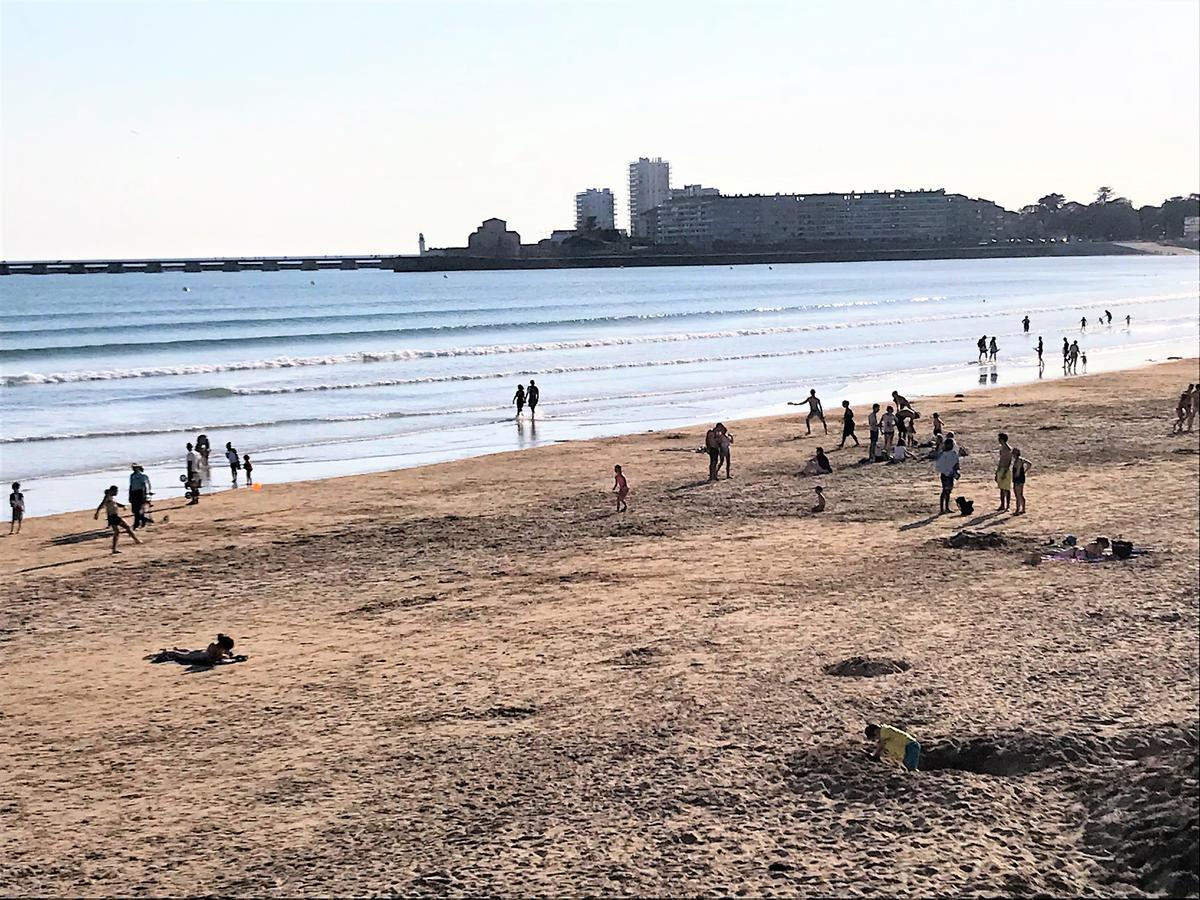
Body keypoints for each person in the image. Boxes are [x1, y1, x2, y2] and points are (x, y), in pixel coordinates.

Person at [94, 485, 140, 554]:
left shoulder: (111, 497)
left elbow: (116, 504)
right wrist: (97, 512)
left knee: (117, 532)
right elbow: (102, 504)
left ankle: (114, 549)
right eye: (116, 491)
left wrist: (123, 506)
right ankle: (136, 540)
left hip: (112, 517)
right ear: (112, 491)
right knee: (126, 527)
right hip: (113, 516)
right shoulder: (107, 496)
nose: (117, 493)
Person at [150, 634, 235, 666]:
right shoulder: (216, 648)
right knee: (180, 655)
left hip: (201, 654)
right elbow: (215, 658)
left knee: (188, 652)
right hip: (200, 657)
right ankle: (167, 651)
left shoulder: (217, 647)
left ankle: (174, 650)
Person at [934, 436, 960, 514]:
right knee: (945, 490)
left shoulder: (951, 454)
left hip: (949, 474)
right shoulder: (944, 454)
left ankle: (946, 508)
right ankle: (942, 509)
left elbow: (956, 464)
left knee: (948, 491)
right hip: (945, 475)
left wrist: (956, 472)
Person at [129, 464, 152, 529]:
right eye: (133, 468)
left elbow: (145, 486)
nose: (133, 469)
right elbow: (131, 486)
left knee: (138, 509)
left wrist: (146, 494)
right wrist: (130, 495)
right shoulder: (132, 476)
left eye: (135, 468)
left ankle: (137, 524)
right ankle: (144, 520)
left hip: (140, 493)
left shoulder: (142, 476)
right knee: (134, 510)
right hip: (133, 492)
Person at [995, 432, 1013, 511]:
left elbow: (1008, 462)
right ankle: (1002, 505)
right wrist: (997, 471)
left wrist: (1005, 472)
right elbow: (1000, 461)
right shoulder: (1002, 449)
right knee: (1002, 488)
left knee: (1006, 489)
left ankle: (1007, 506)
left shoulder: (1008, 449)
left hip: (1006, 470)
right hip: (1001, 469)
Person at [1011, 447, 1032, 515]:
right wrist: (1025, 471)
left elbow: (1018, 470)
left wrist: (1017, 475)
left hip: (1018, 479)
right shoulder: (1021, 459)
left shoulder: (1018, 461)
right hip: (1021, 478)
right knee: (1020, 494)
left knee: (1018, 495)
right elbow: (1029, 464)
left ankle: (1018, 510)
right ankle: (1023, 508)